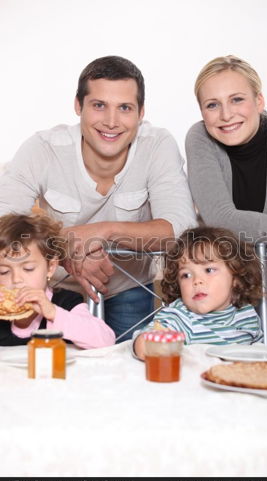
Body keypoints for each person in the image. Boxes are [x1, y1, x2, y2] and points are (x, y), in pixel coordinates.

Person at [0, 55, 197, 341]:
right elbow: (3, 224)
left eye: (125, 108)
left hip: (129, 288)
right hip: (54, 291)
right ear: (78, 106)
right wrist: (68, 252)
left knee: (129, 373)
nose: (111, 121)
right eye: (99, 105)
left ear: (141, 113)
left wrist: (102, 232)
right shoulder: (42, 149)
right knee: (54, 373)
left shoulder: (157, 145)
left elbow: (181, 231)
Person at [185, 55, 267, 347]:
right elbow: (223, 221)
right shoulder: (199, 137)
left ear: (259, 101)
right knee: (211, 372)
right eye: (212, 105)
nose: (225, 114)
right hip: (215, 282)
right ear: (202, 111)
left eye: (237, 99)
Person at [132, 226, 263, 360]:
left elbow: (260, 355)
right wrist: (152, 343)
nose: (197, 281)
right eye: (186, 275)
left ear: (235, 277)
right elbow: (146, 341)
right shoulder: (180, 316)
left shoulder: (246, 313)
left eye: (209, 270)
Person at [0, 213, 115, 349]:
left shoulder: (66, 302)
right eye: (4, 271)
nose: (16, 279)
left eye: (28, 268)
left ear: (51, 267)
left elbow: (106, 340)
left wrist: (53, 312)